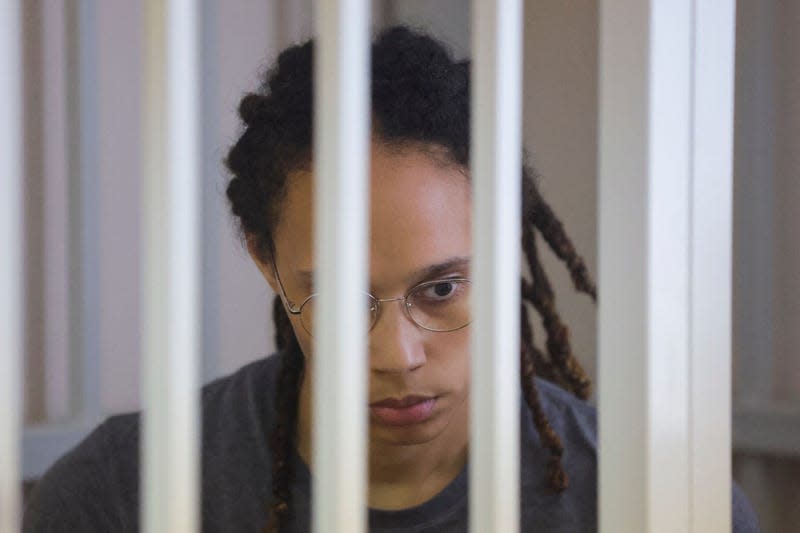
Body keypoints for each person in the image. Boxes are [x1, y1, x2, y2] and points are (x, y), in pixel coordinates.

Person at [23, 26, 759, 533]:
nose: (397, 354)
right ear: (263, 259)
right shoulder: (120, 496)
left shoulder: (661, 500)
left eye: (442, 288)